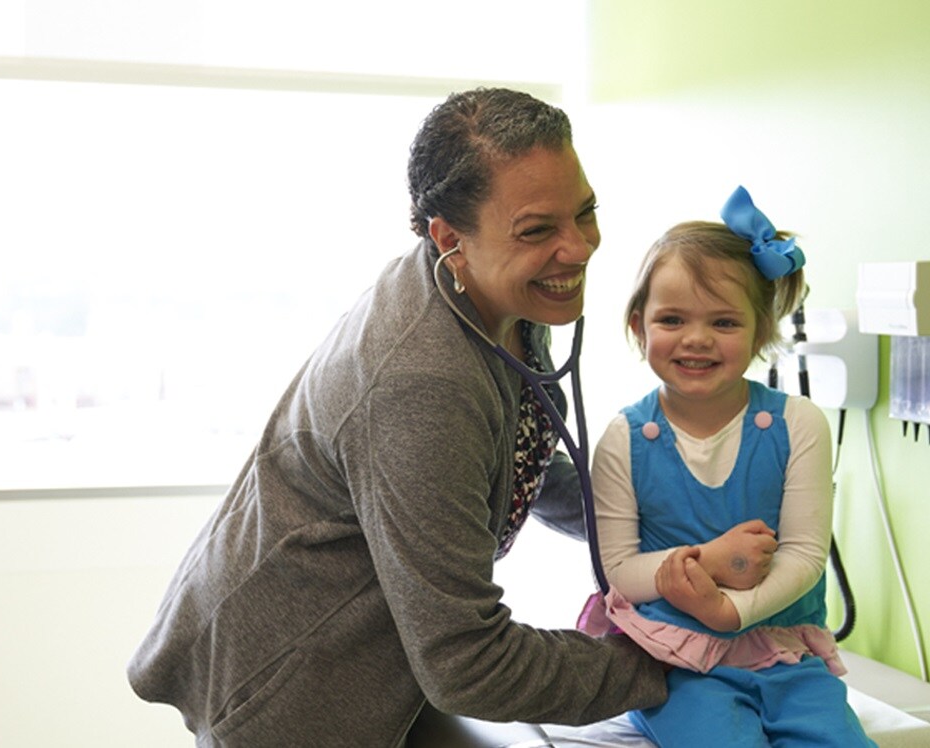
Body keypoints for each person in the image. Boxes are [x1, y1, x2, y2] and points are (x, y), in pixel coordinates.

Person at [126, 87, 668, 747]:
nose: (579, 248)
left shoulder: (498, 296)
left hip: (383, 665)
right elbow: (469, 663)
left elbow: (520, 458)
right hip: (293, 691)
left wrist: (666, 524)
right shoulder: (424, 379)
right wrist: (669, 662)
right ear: (450, 239)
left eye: (585, 213)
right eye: (538, 230)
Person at [583, 186, 875, 746]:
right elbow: (618, 569)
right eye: (672, 319)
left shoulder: (799, 425)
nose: (696, 339)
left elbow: (807, 556)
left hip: (786, 655)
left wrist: (730, 611)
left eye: (723, 322)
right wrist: (707, 563)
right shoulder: (625, 438)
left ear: (761, 331)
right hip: (676, 657)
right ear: (638, 326)